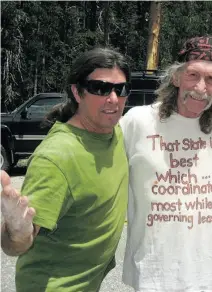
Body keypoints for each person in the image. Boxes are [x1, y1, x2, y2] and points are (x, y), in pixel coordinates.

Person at [1, 47, 131, 291]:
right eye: (100, 88)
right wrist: (16, 229)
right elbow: (16, 245)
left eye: (120, 89)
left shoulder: (114, 133)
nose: (113, 98)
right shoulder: (57, 157)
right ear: (77, 92)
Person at [119, 36, 212, 291]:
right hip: (152, 274)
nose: (200, 87)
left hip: (207, 276)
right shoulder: (137, 122)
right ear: (175, 78)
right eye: (193, 75)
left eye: (211, 79)